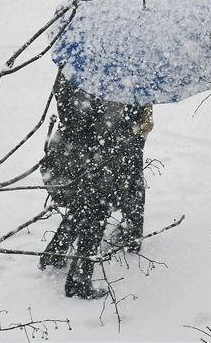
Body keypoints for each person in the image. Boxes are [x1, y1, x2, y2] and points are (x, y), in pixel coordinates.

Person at [39, 73, 153, 299]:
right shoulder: (120, 73)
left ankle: (55, 252)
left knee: (86, 199)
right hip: (102, 150)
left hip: (73, 147)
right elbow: (113, 120)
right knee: (98, 205)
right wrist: (137, 121)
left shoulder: (79, 62)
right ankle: (79, 278)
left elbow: (65, 99)